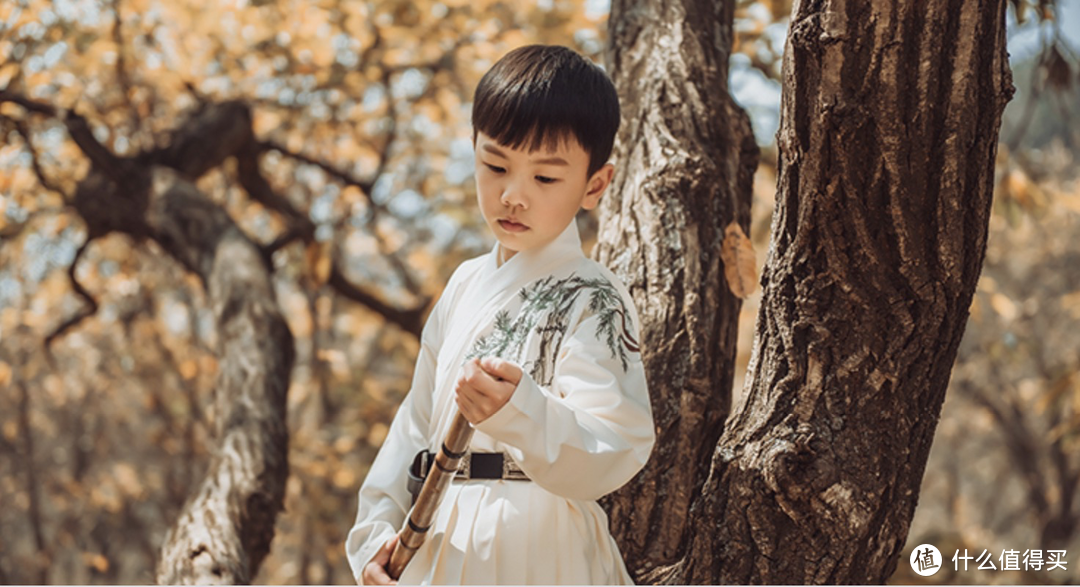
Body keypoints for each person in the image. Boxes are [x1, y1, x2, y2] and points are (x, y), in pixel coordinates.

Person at [344, 44, 655, 585]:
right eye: (495, 166)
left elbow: (617, 443)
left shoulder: (593, 295)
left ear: (594, 185)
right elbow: (415, 427)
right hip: (437, 540)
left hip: (539, 543)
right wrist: (376, 536)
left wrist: (522, 410)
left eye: (545, 179)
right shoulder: (464, 284)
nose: (513, 195)